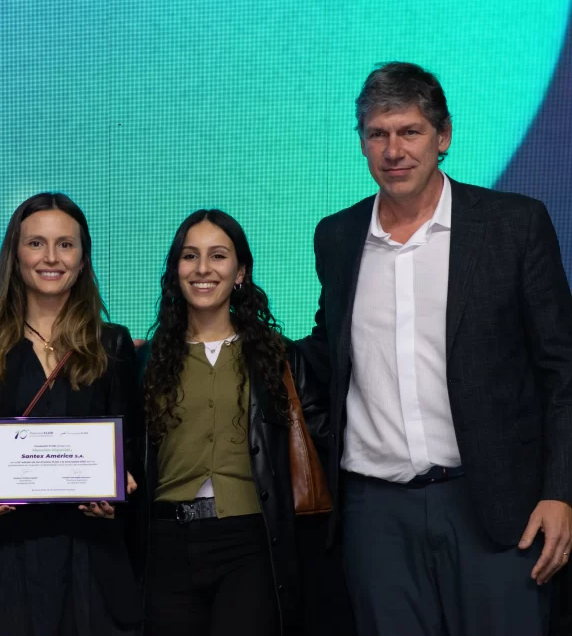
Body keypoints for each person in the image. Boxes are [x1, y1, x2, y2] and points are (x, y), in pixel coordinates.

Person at [297, 61, 572, 635]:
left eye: (410, 131)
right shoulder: (337, 236)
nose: (393, 150)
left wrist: (560, 494)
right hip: (376, 516)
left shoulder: (513, 225)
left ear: (442, 136)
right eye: (377, 133)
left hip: (496, 506)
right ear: (362, 142)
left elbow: (561, 371)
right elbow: (327, 353)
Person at [0, 192, 142, 636]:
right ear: (15, 255)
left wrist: (125, 480)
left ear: (82, 258)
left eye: (66, 244)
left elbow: (134, 443)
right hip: (5, 555)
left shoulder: (112, 344)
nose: (51, 257)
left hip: (90, 556)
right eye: (36, 243)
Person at [136, 210, 329, 636]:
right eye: (190, 256)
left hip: (252, 544)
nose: (203, 268)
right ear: (175, 270)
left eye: (218, 256)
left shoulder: (280, 358)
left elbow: (326, 443)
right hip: (166, 546)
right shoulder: (144, 362)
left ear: (240, 272)